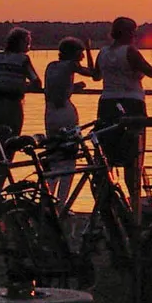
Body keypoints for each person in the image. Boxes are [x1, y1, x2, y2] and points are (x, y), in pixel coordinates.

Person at [91, 17, 152, 203]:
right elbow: (151, 72)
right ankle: (134, 202)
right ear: (125, 33)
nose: (135, 35)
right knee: (133, 156)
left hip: (107, 104)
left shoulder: (103, 52)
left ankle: (105, 201)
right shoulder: (130, 51)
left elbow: (96, 76)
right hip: (131, 104)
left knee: (107, 155)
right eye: (133, 31)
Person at [43, 37, 95, 204]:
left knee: (54, 157)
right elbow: (95, 74)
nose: (81, 56)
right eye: (80, 53)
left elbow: (55, 88)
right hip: (65, 112)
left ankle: (47, 200)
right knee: (69, 159)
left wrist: (73, 87)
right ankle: (61, 203)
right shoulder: (71, 66)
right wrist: (89, 49)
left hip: (50, 113)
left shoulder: (51, 66)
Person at [0, 27, 42, 135]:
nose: (29, 46)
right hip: (12, 106)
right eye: (27, 43)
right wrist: (24, 86)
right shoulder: (23, 59)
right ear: (20, 43)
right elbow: (36, 83)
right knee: (12, 140)